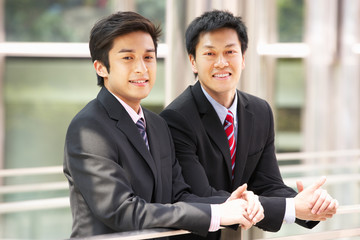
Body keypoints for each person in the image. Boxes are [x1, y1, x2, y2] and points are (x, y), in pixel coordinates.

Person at [63, 11, 264, 239]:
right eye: (128, 58)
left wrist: (233, 204)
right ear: (101, 68)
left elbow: (179, 194)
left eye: (148, 57)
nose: (141, 68)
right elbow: (123, 212)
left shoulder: (157, 124)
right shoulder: (89, 129)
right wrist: (217, 214)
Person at [160, 9, 338, 238]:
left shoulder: (259, 111)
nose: (221, 63)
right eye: (210, 54)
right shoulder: (176, 119)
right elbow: (202, 196)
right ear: (193, 61)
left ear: (243, 58)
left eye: (230, 52)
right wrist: (292, 209)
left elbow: (268, 183)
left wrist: (308, 203)